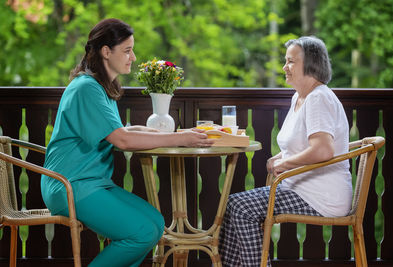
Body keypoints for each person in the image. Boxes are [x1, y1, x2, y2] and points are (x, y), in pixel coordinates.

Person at [41, 18, 214, 267]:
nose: (133, 57)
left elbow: (119, 130)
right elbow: (121, 140)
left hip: (93, 182)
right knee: (140, 232)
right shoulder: (86, 88)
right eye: (127, 50)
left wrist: (151, 130)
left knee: (154, 224)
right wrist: (180, 138)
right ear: (106, 52)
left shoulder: (101, 87)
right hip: (70, 185)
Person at [218, 36, 352, 266]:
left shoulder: (318, 98)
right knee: (233, 205)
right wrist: (281, 156)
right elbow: (303, 144)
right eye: (286, 61)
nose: (284, 67)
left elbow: (322, 150)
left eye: (291, 61)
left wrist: (284, 164)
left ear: (311, 64)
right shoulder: (300, 97)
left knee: (240, 207)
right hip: (300, 188)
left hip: (322, 196)